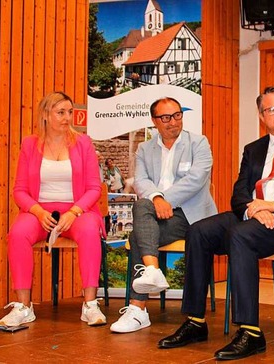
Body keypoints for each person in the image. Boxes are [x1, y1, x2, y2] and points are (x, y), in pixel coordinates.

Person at [157, 86, 274, 361]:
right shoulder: (254, 149)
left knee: (240, 236)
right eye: (270, 109)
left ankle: (250, 332)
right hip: (255, 215)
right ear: (261, 116)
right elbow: (238, 194)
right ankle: (195, 321)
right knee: (199, 230)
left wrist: (273, 206)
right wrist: (253, 209)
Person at [110, 97, 217, 333]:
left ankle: (138, 308)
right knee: (143, 210)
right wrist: (157, 200)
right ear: (154, 121)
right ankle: (150, 275)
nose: (173, 122)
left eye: (177, 115)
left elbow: (196, 180)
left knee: (140, 230)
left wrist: (163, 200)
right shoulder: (144, 148)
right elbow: (141, 180)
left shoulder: (198, 143)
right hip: (155, 212)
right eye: (166, 118)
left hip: (190, 215)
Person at [0, 92, 106, 327]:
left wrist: (74, 212)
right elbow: (19, 191)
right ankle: (24, 307)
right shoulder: (29, 144)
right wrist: (37, 211)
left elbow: (93, 188)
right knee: (17, 234)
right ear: (46, 115)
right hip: (40, 211)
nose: (67, 118)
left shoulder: (83, 143)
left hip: (76, 210)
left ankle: (90, 305)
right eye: (61, 112)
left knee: (89, 231)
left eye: (69, 112)